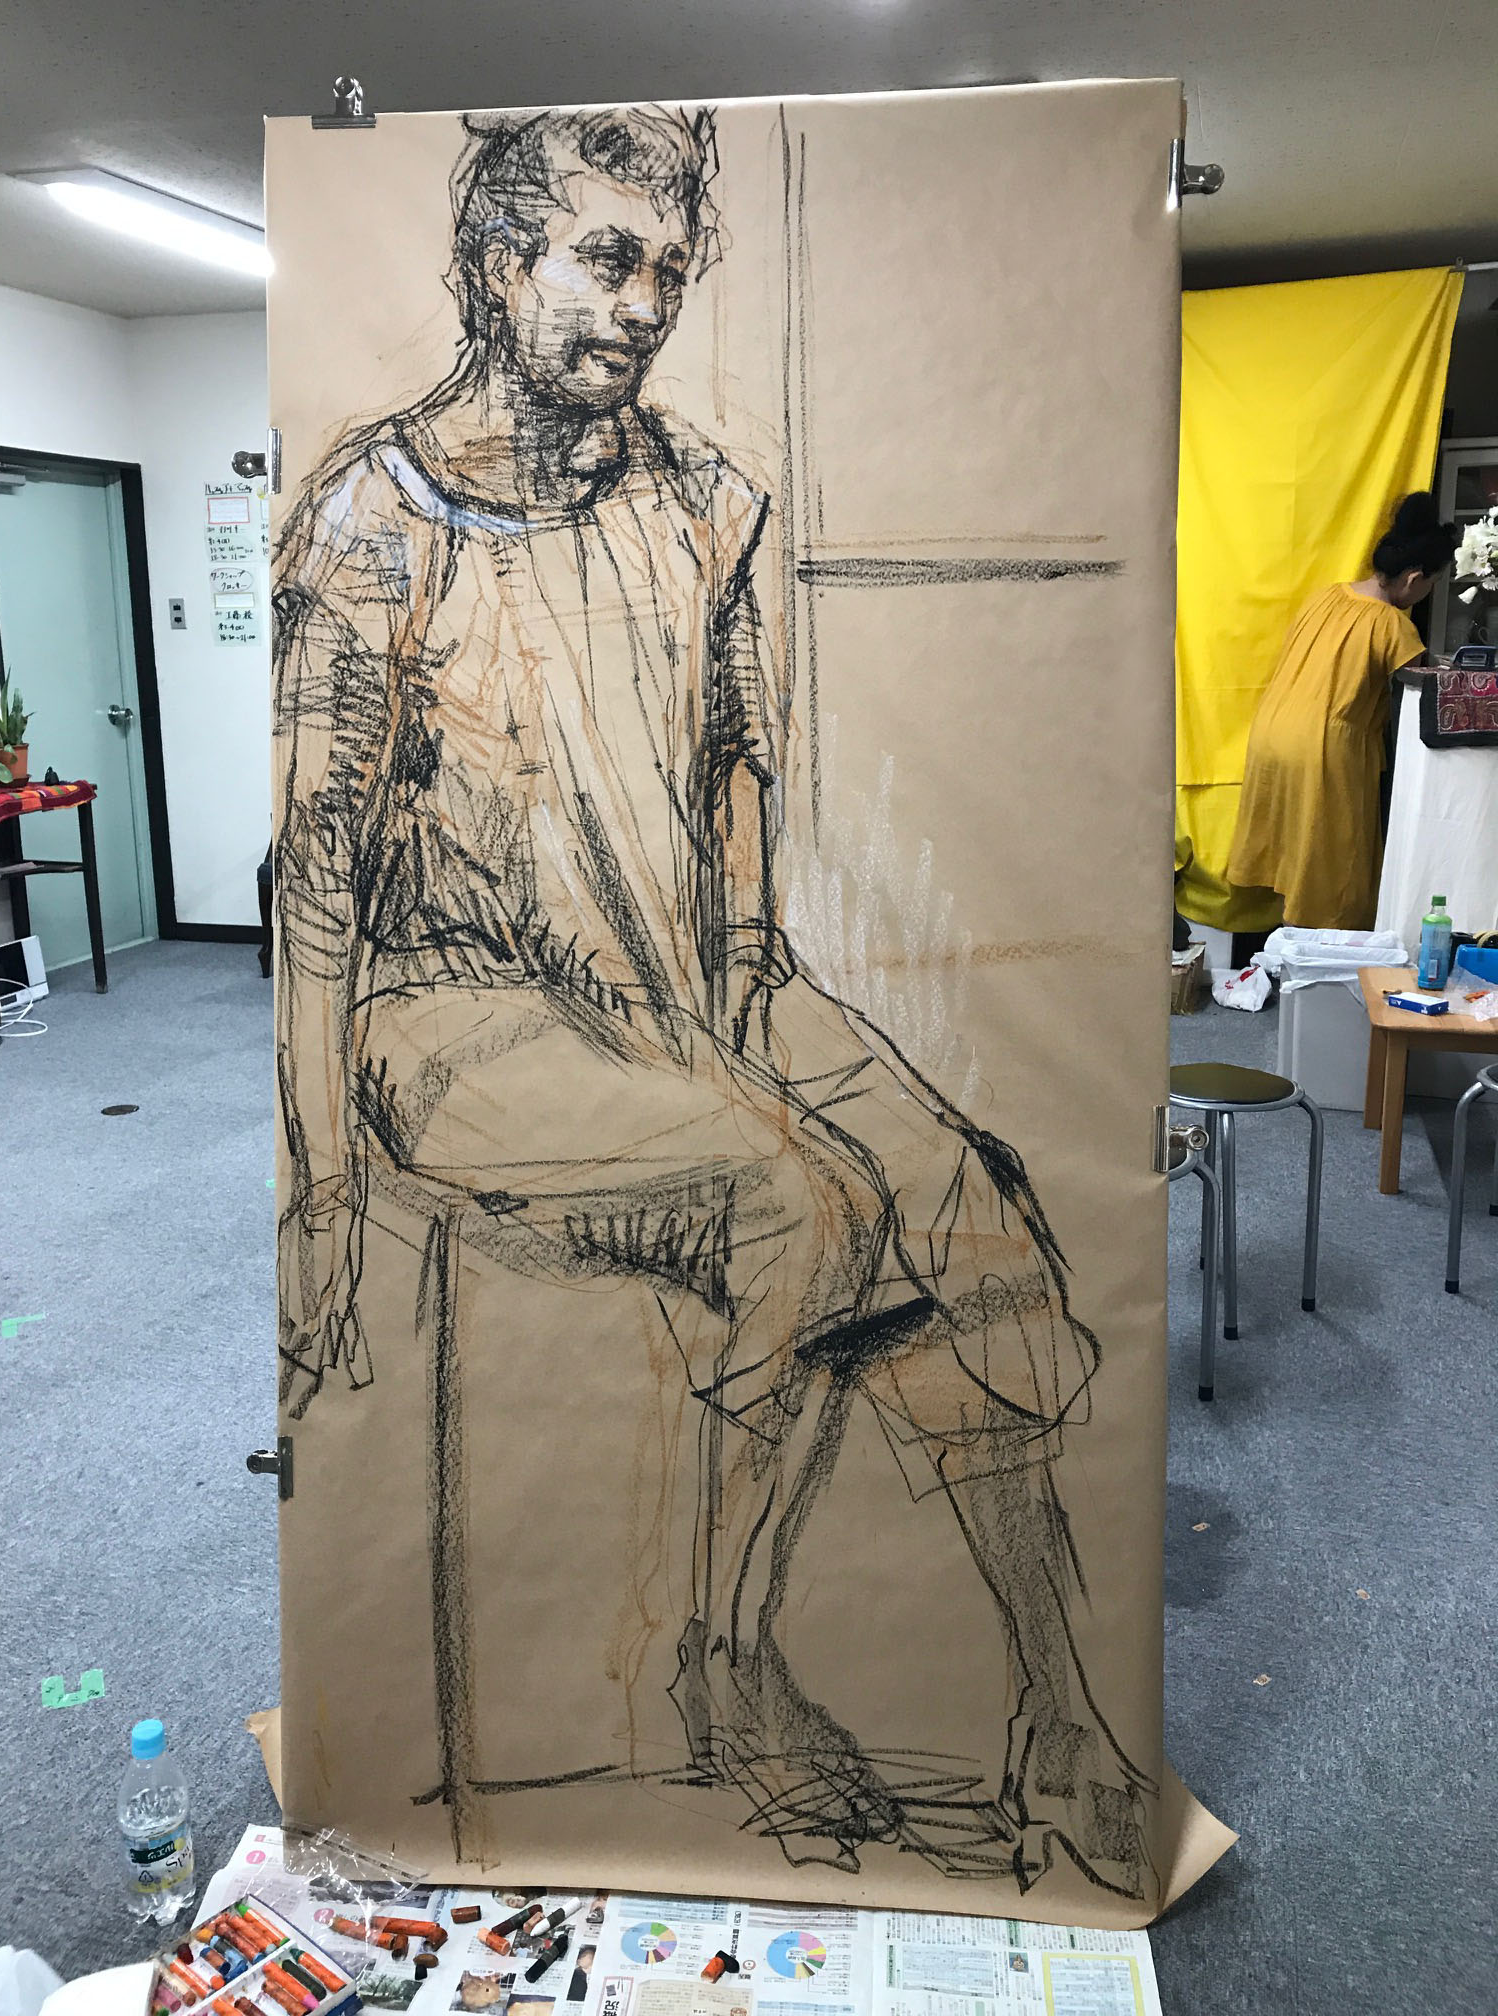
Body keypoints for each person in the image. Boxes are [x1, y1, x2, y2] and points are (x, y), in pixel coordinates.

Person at [274, 104, 1152, 1899]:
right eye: (606, 258)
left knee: (966, 1200)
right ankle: (724, 1657)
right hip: (453, 1015)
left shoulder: (703, 500)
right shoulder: (374, 519)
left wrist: (744, 972)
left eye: (669, 270)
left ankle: (1062, 1709)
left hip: (689, 973)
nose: (644, 303)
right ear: (497, 264)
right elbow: (313, 879)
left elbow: (739, 761)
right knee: (797, 1200)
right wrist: (316, 1193)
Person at [1227, 492, 1458, 927]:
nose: (1429, 593)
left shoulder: (1327, 596)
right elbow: (1423, 686)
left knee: (1292, 858)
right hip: (1323, 747)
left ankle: (1284, 945)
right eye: (1433, 583)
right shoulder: (1393, 625)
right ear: (1414, 578)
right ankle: (1316, 954)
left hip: (1271, 733)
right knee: (1333, 873)